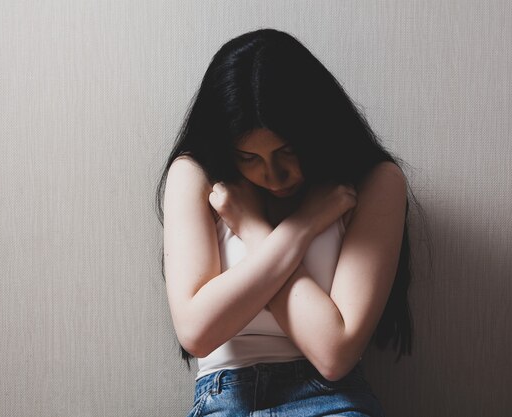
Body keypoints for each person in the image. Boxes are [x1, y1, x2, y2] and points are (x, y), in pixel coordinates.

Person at [155, 28, 420, 417]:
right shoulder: (197, 176)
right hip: (226, 397)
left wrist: (252, 229)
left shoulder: (375, 182)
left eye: (288, 152)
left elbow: (334, 353)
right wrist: (303, 225)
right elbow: (197, 332)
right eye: (250, 158)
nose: (274, 176)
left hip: (334, 398)